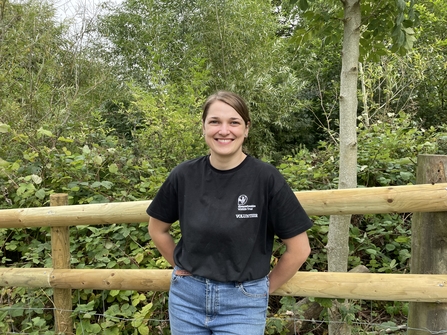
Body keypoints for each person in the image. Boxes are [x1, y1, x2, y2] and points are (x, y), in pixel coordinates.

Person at [147, 90, 312, 335]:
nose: (224, 130)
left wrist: (261, 289)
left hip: (243, 304)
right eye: (215, 122)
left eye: (233, 122)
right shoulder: (183, 175)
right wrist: (182, 267)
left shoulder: (266, 178)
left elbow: (299, 249)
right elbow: (157, 228)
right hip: (186, 299)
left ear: (246, 128)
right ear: (203, 127)